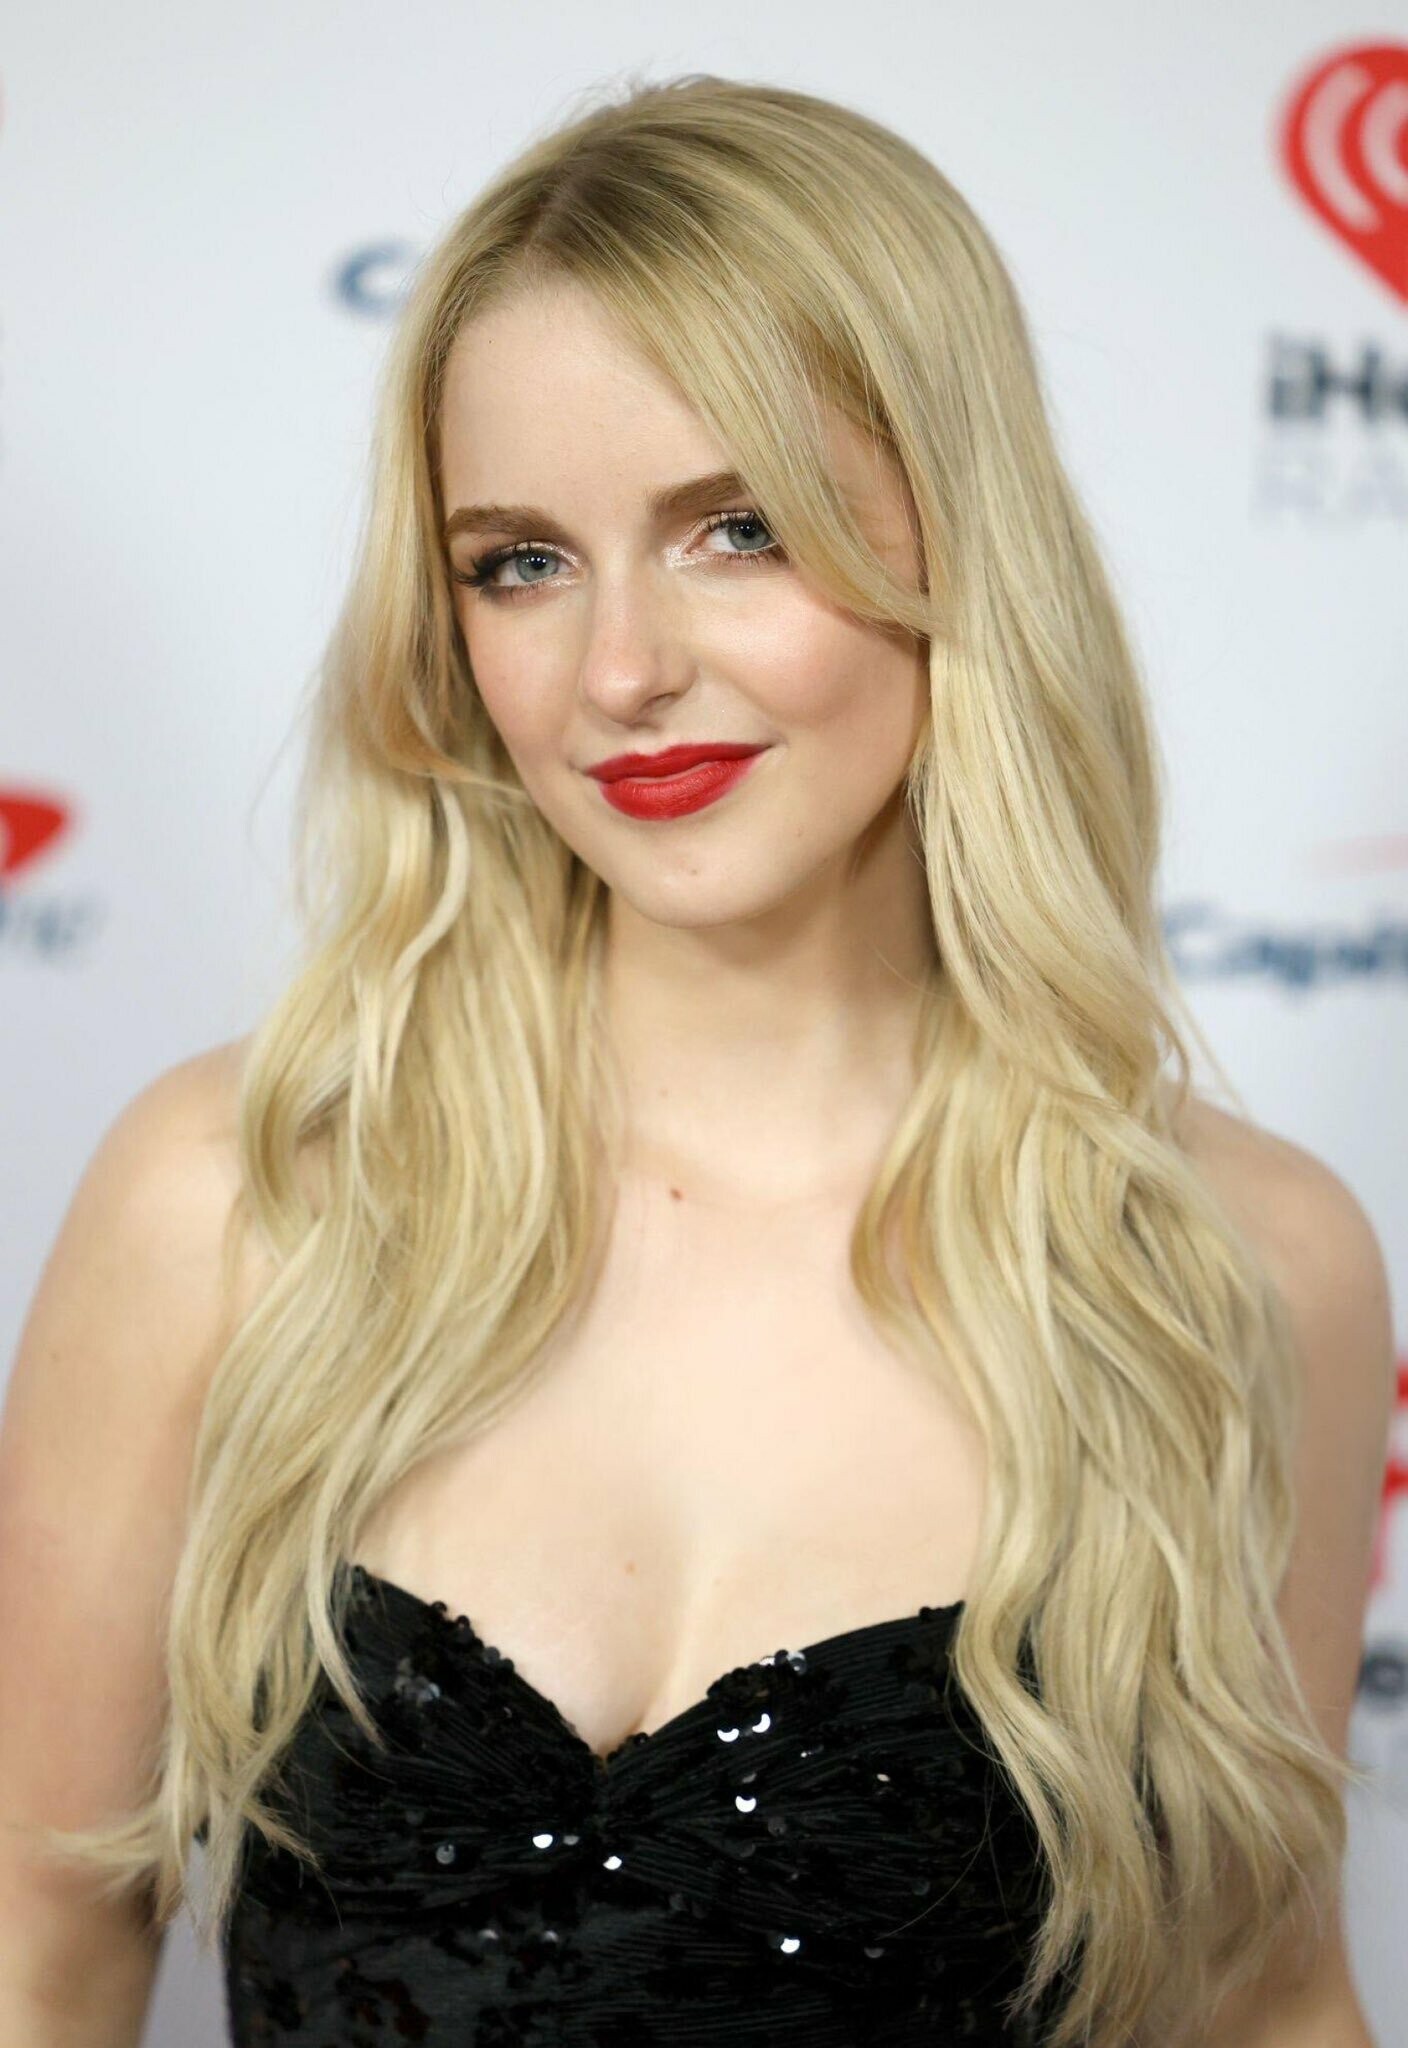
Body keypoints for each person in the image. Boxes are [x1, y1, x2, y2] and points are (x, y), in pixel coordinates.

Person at [0, 70, 1393, 2048]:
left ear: (955, 537)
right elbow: (37, 1949)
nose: (621, 670)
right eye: (519, 561)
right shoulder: (235, 1199)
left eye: (734, 530)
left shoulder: (1231, 1267)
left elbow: (1259, 2001)